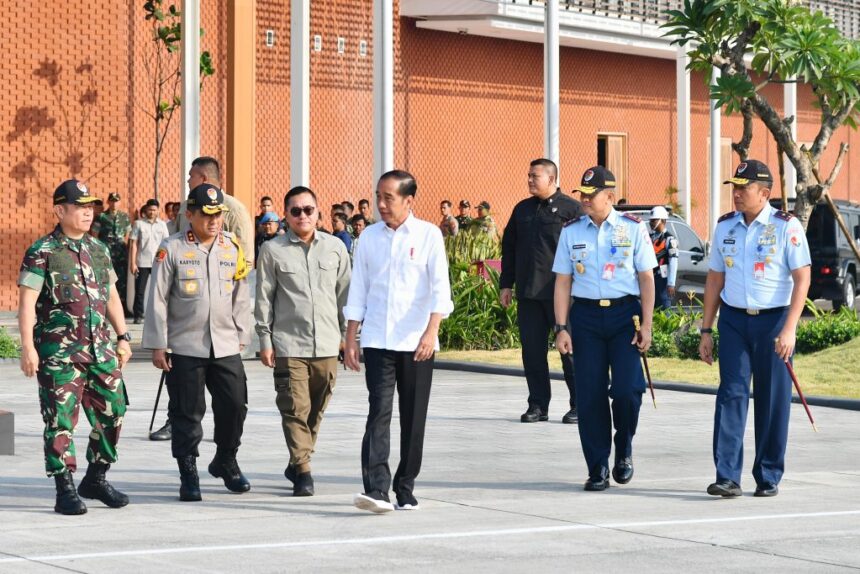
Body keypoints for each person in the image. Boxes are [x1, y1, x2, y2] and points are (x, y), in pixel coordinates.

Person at [17, 179, 133, 515]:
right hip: (60, 355)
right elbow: (26, 304)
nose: (88, 212)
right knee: (61, 421)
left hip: (102, 351)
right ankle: (64, 487)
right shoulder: (43, 252)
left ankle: (96, 477)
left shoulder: (99, 249)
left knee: (114, 411)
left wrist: (123, 337)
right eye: (80, 207)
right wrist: (28, 348)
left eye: (90, 206)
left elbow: (111, 295)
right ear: (60, 210)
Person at [699, 160, 811, 498]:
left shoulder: (785, 226)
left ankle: (768, 474)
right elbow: (715, 278)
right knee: (731, 394)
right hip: (734, 320)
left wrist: (790, 328)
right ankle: (727, 476)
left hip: (774, 320)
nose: (736, 194)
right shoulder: (725, 227)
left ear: (764, 193)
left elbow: (802, 277)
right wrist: (706, 329)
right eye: (733, 187)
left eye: (743, 188)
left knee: (772, 398)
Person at [344, 170, 453, 513]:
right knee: (379, 410)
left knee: (413, 416)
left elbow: (440, 289)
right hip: (377, 338)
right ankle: (377, 489)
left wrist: (431, 331)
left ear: (408, 200)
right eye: (378, 196)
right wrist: (351, 336)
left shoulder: (428, 235)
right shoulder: (369, 238)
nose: (381, 204)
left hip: (417, 341)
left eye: (388, 198)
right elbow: (358, 287)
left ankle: (405, 486)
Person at [143, 183, 252, 501]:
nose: (214, 220)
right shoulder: (172, 248)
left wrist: (243, 332)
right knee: (187, 413)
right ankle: (188, 472)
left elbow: (240, 293)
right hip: (185, 345)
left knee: (235, 406)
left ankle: (226, 459)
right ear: (190, 214)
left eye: (218, 214)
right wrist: (158, 343)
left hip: (226, 343)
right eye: (206, 214)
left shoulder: (232, 247)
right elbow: (157, 299)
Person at [553, 166, 657, 491]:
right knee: (590, 395)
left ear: (609, 196)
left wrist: (648, 325)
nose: (584, 199)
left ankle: (623, 448)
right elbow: (562, 282)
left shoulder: (633, 229)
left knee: (628, 391)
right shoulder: (572, 231)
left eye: (591, 194)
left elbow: (646, 278)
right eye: (582, 193)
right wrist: (561, 327)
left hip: (625, 315)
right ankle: (597, 466)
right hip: (584, 319)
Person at [255, 186, 351, 497]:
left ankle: (297, 459)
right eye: (295, 211)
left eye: (308, 209)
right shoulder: (272, 250)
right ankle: (304, 470)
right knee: (294, 408)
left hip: (327, 343)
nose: (302, 216)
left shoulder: (336, 248)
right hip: (288, 344)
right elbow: (264, 298)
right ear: (286, 215)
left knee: (316, 410)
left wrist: (347, 336)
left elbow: (345, 296)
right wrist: (265, 340)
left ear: (318, 211)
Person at [500, 158, 581, 424]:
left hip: (562, 296)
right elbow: (509, 248)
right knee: (532, 353)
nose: (530, 180)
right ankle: (538, 405)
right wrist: (506, 284)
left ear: (552, 178)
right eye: (529, 176)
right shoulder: (522, 209)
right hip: (529, 294)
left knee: (569, 352)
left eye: (535, 176)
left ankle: (579, 404)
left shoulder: (572, 210)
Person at [175, 156, 255, 268]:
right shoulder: (185, 207)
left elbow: (245, 255)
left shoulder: (234, 209)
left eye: (191, 176)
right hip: (187, 278)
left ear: (204, 178)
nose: (188, 181)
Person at [129, 198, 170, 324]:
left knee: (160, 290)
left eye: (154, 210)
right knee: (140, 290)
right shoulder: (138, 224)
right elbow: (134, 244)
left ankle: (159, 315)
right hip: (143, 262)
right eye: (150, 209)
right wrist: (133, 263)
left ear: (158, 211)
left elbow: (166, 243)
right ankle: (138, 315)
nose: (152, 212)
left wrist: (165, 261)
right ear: (146, 210)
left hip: (159, 262)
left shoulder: (162, 225)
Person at [96, 192, 132, 314]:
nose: (114, 203)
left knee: (121, 280)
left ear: (119, 202)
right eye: (112, 201)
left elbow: (127, 235)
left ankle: (122, 307)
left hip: (121, 252)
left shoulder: (124, 217)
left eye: (116, 201)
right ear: (108, 202)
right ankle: (105, 307)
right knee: (106, 279)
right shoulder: (101, 217)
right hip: (106, 252)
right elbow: (95, 235)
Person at [648, 206, 679, 310]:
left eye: (654, 220)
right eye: (650, 220)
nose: (651, 223)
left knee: (664, 309)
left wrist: (671, 283)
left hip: (663, 279)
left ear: (663, 220)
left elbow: (673, 262)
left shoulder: (670, 239)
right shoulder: (649, 237)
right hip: (650, 278)